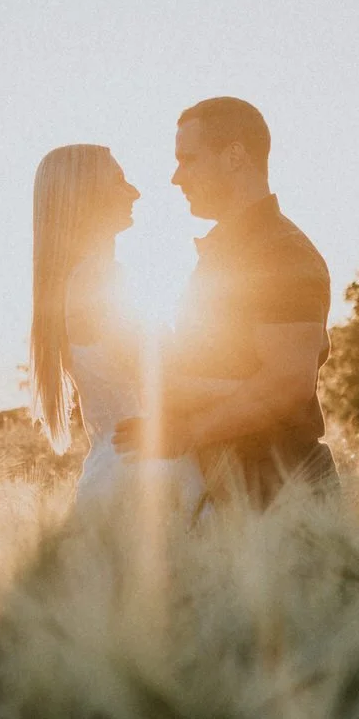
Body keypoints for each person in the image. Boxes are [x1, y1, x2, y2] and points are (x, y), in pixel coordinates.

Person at [115, 97, 335, 506]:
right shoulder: (227, 253)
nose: (176, 177)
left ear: (234, 155)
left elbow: (288, 384)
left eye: (188, 159)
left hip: (280, 489)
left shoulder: (280, 253)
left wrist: (186, 433)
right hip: (235, 487)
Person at [27, 143, 205, 511]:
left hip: (119, 470)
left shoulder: (79, 281)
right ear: (85, 194)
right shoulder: (96, 281)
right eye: (119, 180)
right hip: (148, 475)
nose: (135, 192)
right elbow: (168, 378)